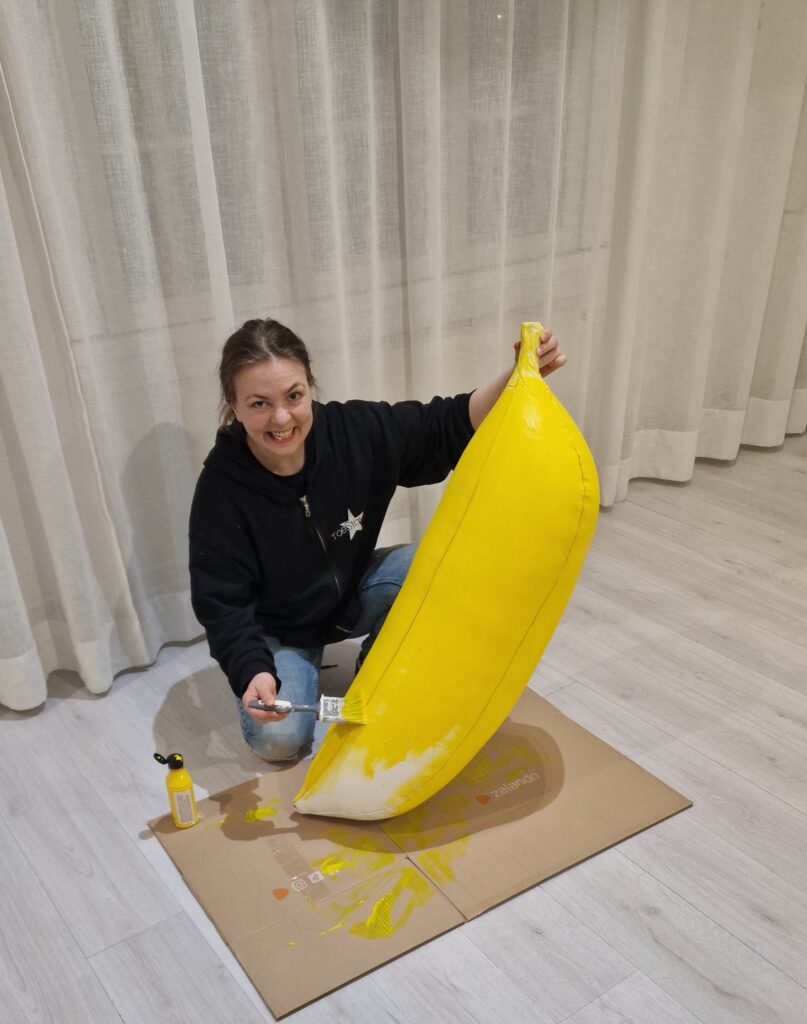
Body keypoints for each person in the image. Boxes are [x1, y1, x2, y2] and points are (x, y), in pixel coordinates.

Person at [189, 318, 565, 764]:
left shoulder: (353, 431)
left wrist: (520, 374)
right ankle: (296, 666)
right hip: (278, 630)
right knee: (279, 741)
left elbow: (444, 423)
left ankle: (375, 676)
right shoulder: (222, 489)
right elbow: (222, 603)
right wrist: (251, 670)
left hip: (349, 597)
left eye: (294, 396)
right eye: (259, 403)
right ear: (234, 406)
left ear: (310, 385)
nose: (282, 418)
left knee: (431, 565)